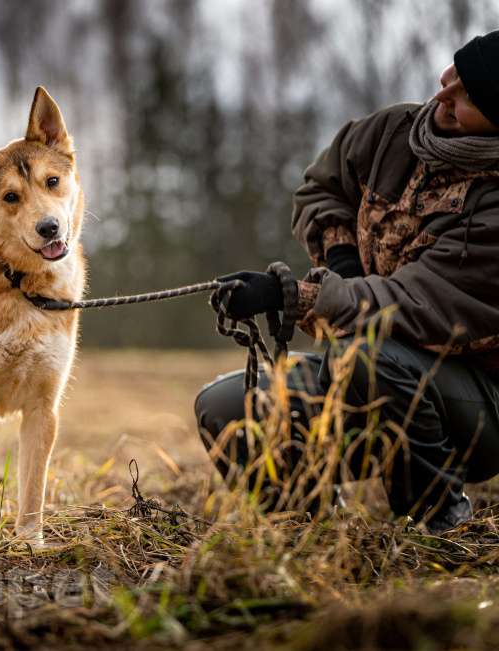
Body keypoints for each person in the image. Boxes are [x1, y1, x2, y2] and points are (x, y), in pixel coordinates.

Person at [194, 30, 499, 534]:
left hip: (476, 406)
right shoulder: (394, 131)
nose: (444, 92)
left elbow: (408, 304)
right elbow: (322, 189)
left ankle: (440, 523)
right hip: (367, 363)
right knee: (227, 406)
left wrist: (290, 296)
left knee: (369, 357)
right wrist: (343, 263)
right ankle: (307, 526)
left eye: (468, 95)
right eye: (454, 72)